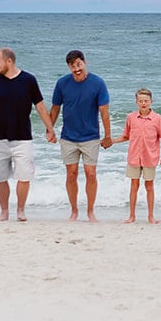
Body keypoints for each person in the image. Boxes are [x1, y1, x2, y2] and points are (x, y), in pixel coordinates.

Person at [0, 47, 57, 222]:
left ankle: (20, 210)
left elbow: (39, 106)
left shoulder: (29, 80)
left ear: (8, 61)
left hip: (22, 137)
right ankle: (4, 211)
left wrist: (50, 128)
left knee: (24, 176)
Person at [49, 50, 113, 221]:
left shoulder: (98, 83)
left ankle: (90, 211)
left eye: (78, 64)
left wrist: (108, 136)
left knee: (90, 173)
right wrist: (50, 129)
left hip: (90, 136)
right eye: (72, 66)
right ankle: (74, 210)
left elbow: (104, 112)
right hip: (68, 136)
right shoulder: (62, 83)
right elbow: (55, 108)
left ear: (84, 62)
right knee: (71, 173)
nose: (76, 69)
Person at [116, 88, 161, 224]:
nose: (143, 103)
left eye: (146, 101)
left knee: (149, 186)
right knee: (134, 185)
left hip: (150, 157)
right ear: (136, 102)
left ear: (151, 101)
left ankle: (151, 216)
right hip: (134, 156)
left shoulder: (157, 119)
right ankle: (132, 216)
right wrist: (111, 141)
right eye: (140, 101)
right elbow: (125, 136)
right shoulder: (131, 118)